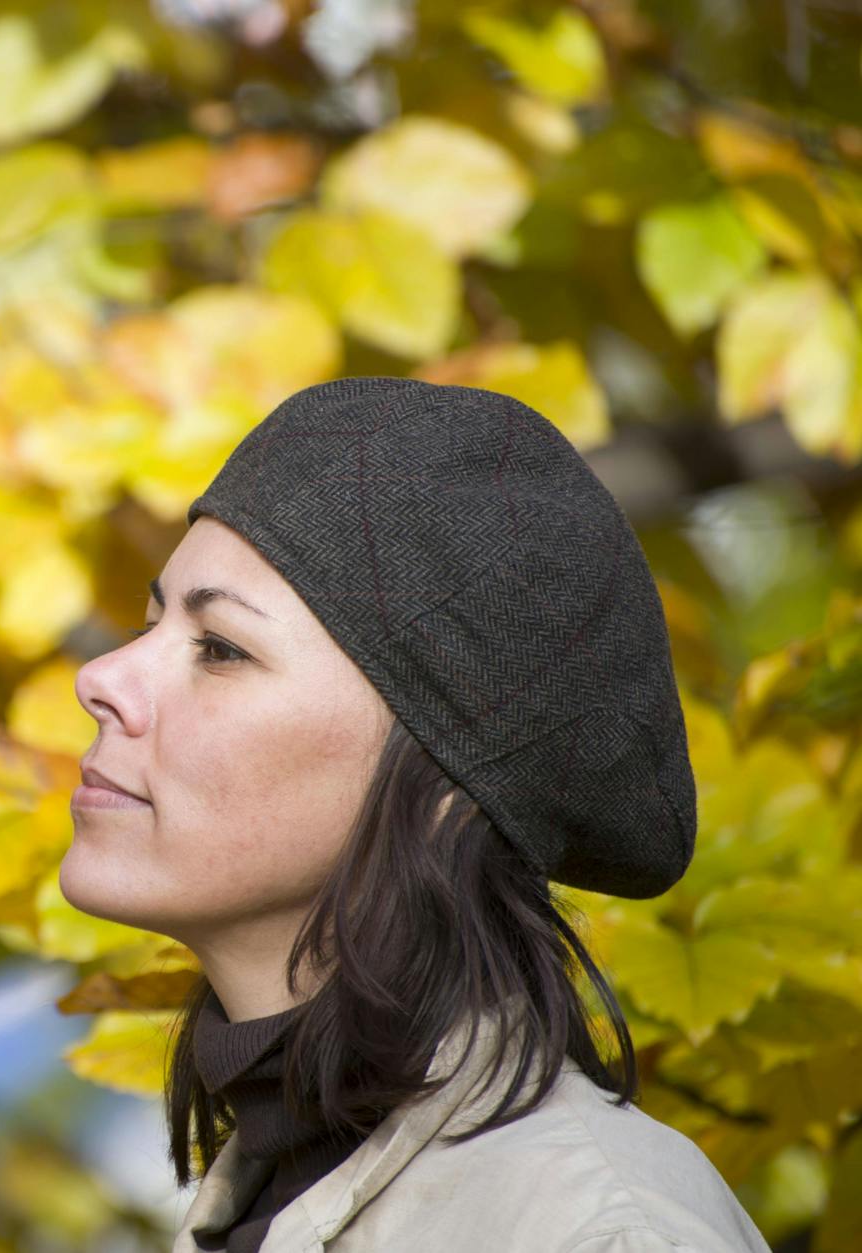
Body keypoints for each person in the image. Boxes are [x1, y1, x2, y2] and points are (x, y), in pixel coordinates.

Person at [62, 377, 770, 1252]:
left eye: (221, 649)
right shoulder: (259, 1198)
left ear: (445, 786)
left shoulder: (594, 1233)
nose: (103, 678)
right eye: (150, 621)